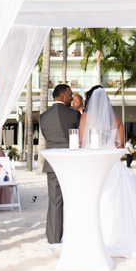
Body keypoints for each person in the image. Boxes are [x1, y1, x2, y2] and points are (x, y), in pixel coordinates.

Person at [81, 85, 136, 257]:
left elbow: (80, 143)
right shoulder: (115, 118)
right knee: (113, 202)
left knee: (96, 201)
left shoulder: (85, 116)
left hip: (93, 165)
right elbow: (121, 147)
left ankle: (95, 236)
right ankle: (115, 235)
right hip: (112, 166)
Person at [40, 84, 80, 244]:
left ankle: (54, 239)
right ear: (62, 96)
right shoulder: (73, 114)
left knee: (55, 201)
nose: (72, 98)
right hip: (70, 162)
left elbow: (47, 137)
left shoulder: (43, 116)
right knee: (73, 199)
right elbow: (78, 136)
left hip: (52, 163)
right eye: (70, 95)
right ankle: (72, 235)